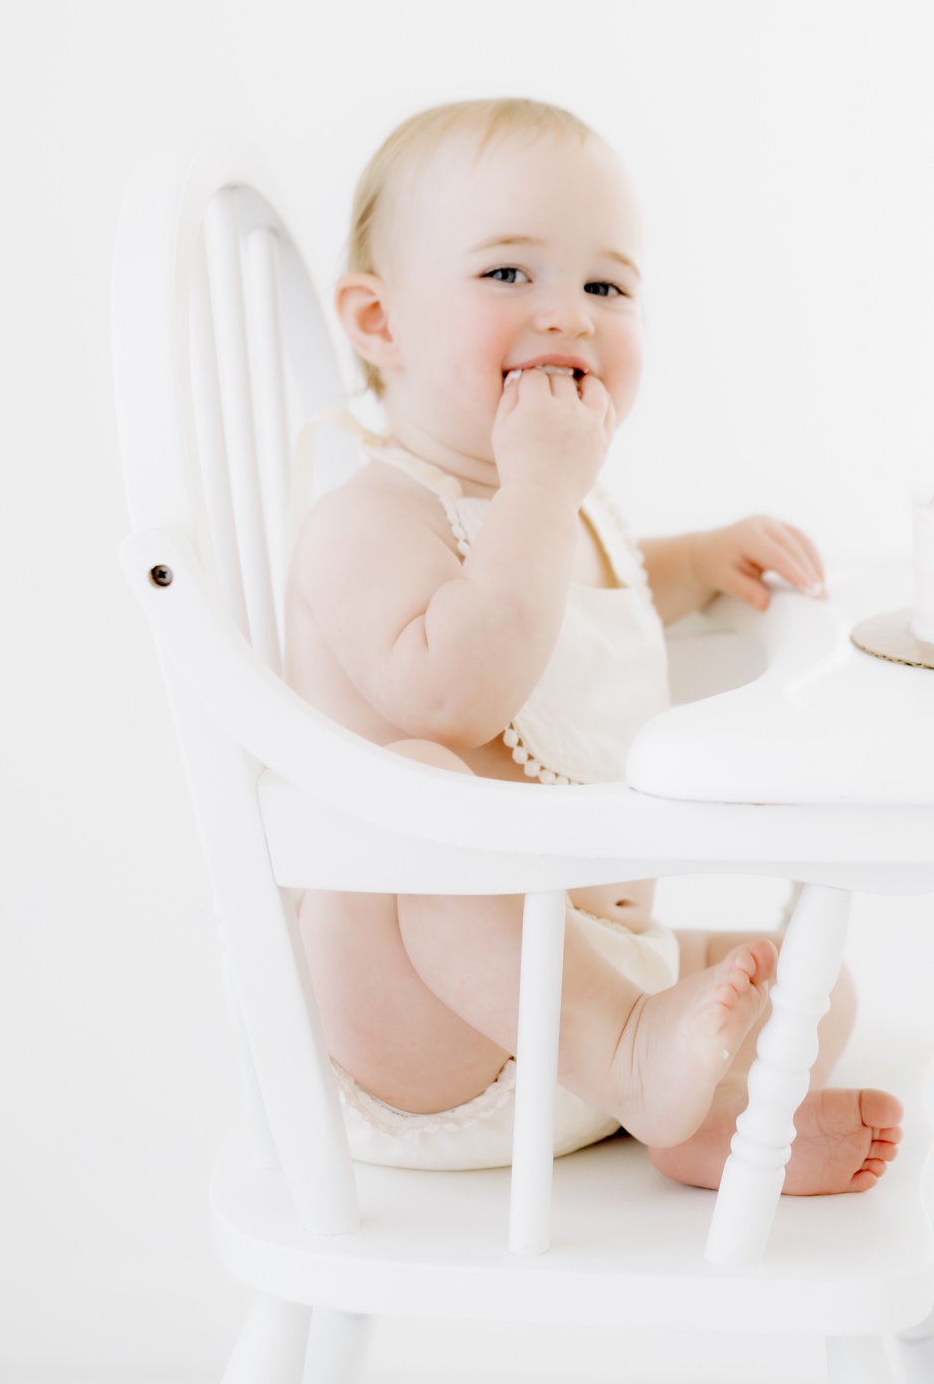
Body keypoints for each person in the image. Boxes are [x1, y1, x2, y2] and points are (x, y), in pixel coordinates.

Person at [283, 98, 902, 1194]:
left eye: (604, 287)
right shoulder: (366, 522)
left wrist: (694, 560)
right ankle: (632, 1058)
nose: (567, 315)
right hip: (432, 1038)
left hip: (583, 986)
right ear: (378, 323)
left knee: (815, 977)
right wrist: (542, 489)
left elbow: (577, 618)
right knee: (425, 788)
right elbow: (457, 698)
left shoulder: (562, 511)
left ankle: (692, 1117)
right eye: (508, 275)